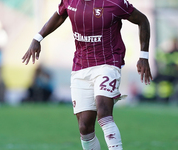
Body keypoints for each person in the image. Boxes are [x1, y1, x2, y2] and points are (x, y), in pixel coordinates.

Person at [22, 0, 152, 149]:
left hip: (107, 63)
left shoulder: (114, 3)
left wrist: (144, 56)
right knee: (84, 126)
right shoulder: (70, 1)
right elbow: (59, 15)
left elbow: (142, 20)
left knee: (103, 111)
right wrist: (37, 38)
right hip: (81, 65)